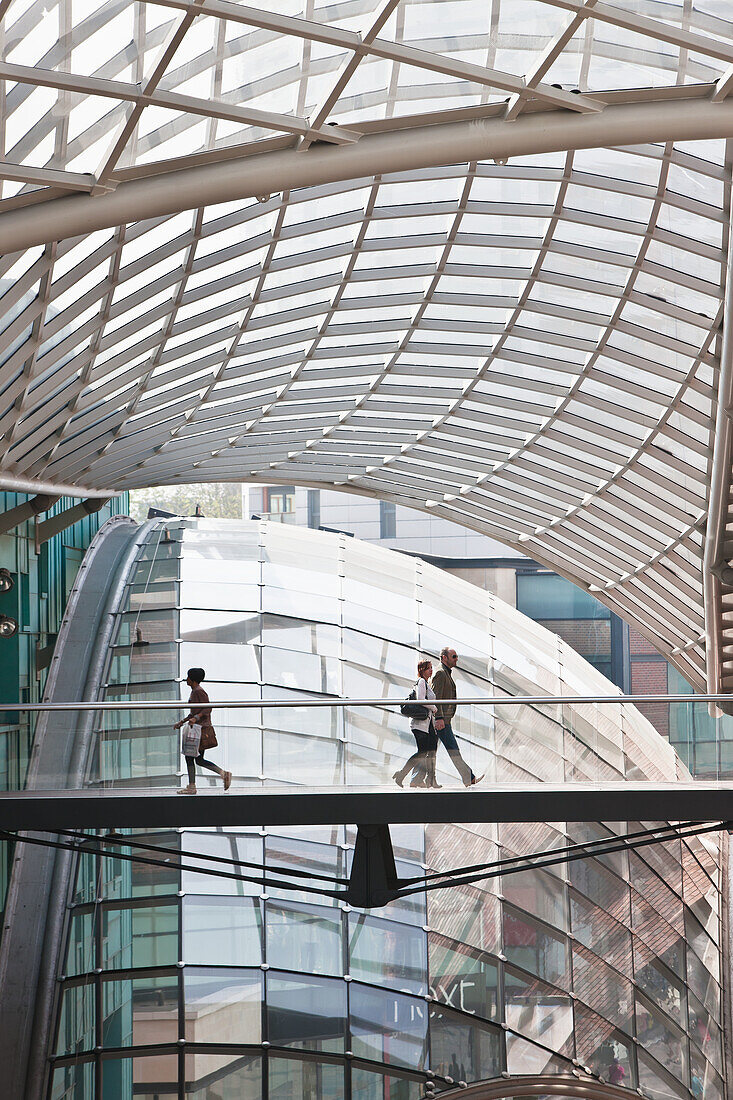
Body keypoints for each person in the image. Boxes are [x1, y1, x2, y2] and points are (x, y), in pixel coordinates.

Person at [174, 667, 231, 795]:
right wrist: (182, 722)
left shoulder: (198, 691)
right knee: (198, 759)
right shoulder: (195, 691)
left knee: (190, 757)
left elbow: (207, 709)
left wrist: (195, 718)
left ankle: (192, 787)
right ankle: (223, 774)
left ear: (193, 679)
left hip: (200, 730)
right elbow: (195, 711)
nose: (186, 679)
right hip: (198, 729)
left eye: (188, 677)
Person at [431, 646, 483, 787]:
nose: (456, 659)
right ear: (444, 658)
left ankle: (420, 779)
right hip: (441, 721)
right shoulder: (440, 673)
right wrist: (439, 718)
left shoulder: (446, 673)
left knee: (429, 751)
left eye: (456, 656)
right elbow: (435, 698)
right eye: (453, 656)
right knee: (452, 749)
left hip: (443, 719)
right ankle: (468, 777)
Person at [393, 658, 439, 788]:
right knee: (423, 752)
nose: (431, 670)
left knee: (428, 751)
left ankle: (422, 779)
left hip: (426, 723)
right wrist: (434, 707)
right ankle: (402, 775)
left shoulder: (426, 683)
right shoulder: (421, 682)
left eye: (431, 668)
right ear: (422, 670)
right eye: (428, 668)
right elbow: (420, 700)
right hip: (419, 724)